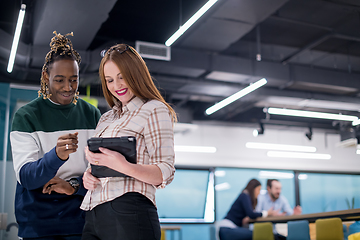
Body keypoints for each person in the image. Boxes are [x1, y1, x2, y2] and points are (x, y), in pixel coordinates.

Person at [10, 31, 101, 240]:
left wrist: (73, 186)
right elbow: (26, 177)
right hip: (39, 225)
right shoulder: (26, 116)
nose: (68, 88)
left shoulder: (92, 114)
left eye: (73, 80)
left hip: (81, 221)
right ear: (46, 77)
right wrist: (56, 157)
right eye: (59, 80)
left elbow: (100, 168)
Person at [80, 43, 177, 240]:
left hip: (129, 211)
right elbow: (102, 164)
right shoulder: (105, 118)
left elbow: (165, 171)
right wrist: (89, 175)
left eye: (121, 77)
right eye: (109, 80)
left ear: (135, 74)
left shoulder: (153, 109)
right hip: (93, 212)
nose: (116, 86)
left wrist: (123, 166)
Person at [218, 179, 282, 240]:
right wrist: (267, 213)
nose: (259, 193)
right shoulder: (245, 195)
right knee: (259, 234)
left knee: (260, 234)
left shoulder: (245, 196)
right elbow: (251, 214)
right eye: (258, 190)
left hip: (230, 229)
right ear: (253, 189)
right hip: (227, 229)